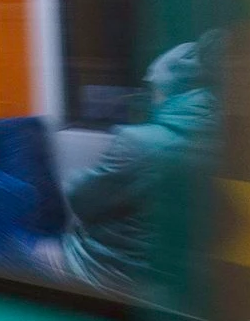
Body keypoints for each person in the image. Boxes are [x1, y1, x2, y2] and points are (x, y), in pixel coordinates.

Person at [61, 32, 223, 296]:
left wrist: (73, 180)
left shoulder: (138, 142)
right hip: (180, 281)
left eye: (156, 90)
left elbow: (81, 200)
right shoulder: (226, 144)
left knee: (21, 254)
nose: (153, 98)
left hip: (108, 271)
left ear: (170, 90)